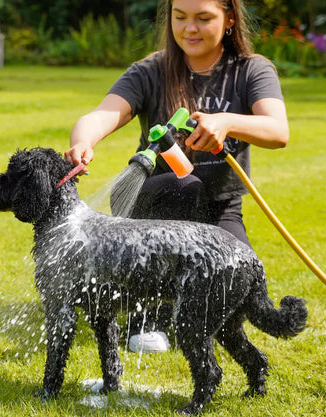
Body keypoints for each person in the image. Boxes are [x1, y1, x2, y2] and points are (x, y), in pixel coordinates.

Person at [65, 0, 289, 351]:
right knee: (183, 185)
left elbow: (278, 130)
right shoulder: (150, 70)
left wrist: (228, 121)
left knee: (237, 278)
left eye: (203, 18)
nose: (189, 29)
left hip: (218, 208)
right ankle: (144, 317)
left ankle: (181, 304)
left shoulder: (251, 70)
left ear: (229, 18)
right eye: (180, 17)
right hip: (153, 205)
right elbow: (102, 114)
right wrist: (83, 141)